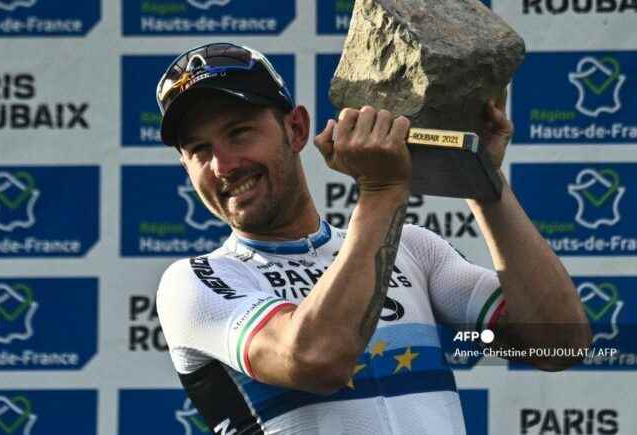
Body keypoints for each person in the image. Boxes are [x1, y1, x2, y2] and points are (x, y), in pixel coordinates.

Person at [155, 42, 591, 435]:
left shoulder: (414, 250)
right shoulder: (196, 282)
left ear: (296, 130)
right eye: (199, 150)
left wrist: (480, 179)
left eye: (239, 132)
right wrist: (382, 191)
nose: (223, 164)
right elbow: (316, 358)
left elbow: (557, 344)